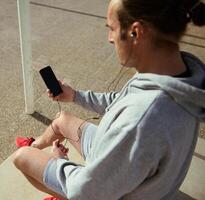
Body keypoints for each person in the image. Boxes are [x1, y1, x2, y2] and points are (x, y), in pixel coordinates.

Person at [13, 0, 205, 199]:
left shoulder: (141, 122)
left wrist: (59, 160)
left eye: (112, 29)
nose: (110, 38)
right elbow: (121, 99)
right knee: (62, 119)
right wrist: (75, 96)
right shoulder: (176, 72)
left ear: (136, 32)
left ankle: (41, 166)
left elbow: (85, 192)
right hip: (133, 169)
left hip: (112, 190)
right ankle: (34, 145)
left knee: (21, 157)